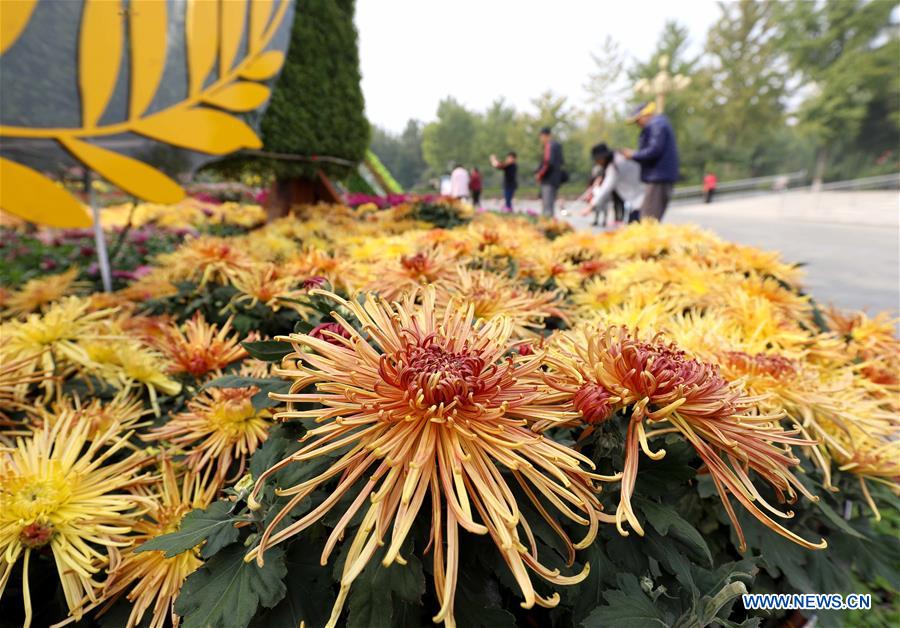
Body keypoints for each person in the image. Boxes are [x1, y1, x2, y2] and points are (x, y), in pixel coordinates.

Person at [621, 101, 679, 221]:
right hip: (659, 176)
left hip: (658, 177)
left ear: (645, 115)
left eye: (638, 120)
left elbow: (654, 150)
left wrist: (633, 155)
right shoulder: (659, 124)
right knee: (650, 216)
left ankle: (648, 240)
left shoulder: (656, 125)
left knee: (648, 218)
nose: (637, 124)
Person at [580, 143, 645, 228]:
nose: (597, 163)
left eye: (597, 160)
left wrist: (591, 206)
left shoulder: (615, 165)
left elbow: (606, 187)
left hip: (640, 195)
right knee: (635, 224)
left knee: (636, 225)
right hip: (638, 195)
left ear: (602, 157)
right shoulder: (619, 158)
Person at [535, 127, 565, 218]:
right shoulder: (558, 146)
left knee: (547, 207)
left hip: (548, 180)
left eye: (542, 137)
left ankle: (547, 228)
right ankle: (551, 226)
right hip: (555, 179)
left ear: (546, 136)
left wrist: (539, 174)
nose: (541, 139)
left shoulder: (550, 145)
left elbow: (548, 162)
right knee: (550, 206)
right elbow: (562, 161)